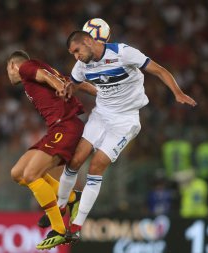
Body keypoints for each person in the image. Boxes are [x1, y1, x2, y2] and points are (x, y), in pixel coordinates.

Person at [57, 31, 197, 241]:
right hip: (101, 115)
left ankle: (76, 226)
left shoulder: (123, 53)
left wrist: (177, 92)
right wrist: (68, 88)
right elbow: (75, 83)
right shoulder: (82, 65)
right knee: (75, 159)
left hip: (125, 121)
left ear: (88, 41)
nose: (75, 56)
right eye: (72, 54)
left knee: (95, 167)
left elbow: (158, 70)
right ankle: (59, 207)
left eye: (77, 50)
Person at [6, 50, 96, 250]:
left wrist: (60, 87)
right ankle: (73, 198)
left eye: (7, 70)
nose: (9, 75)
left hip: (64, 126)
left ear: (12, 65)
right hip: (57, 128)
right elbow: (71, 82)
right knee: (17, 173)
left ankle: (59, 228)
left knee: (31, 175)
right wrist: (97, 91)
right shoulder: (44, 67)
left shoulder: (25, 68)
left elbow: (49, 79)